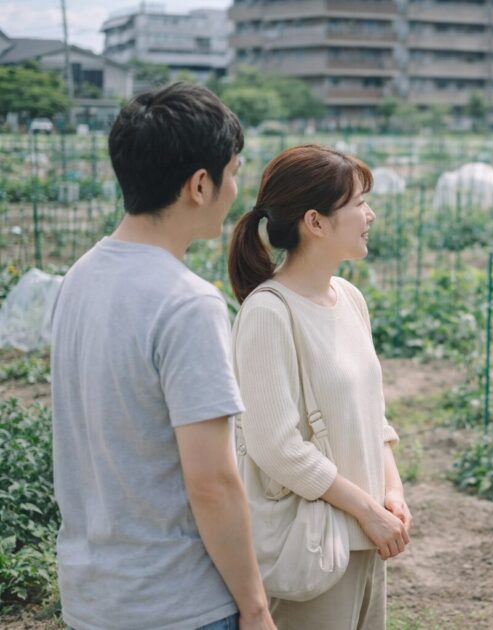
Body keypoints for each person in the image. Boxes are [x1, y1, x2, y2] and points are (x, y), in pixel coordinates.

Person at [50, 83, 276, 630]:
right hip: (177, 604)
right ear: (200, 184)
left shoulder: (79, 277)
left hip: (93, 597)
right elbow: (212, 482)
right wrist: (256, 606)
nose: (237, 187)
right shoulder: (188, 303)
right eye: (235, 170)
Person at [228, 144, 411, 629]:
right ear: (315, 221)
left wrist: (391, 492)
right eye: (357, 203)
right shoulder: (268, 312)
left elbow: (373, 416)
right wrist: (367, 509)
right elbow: (276, 447)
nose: (369, 215)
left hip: (369, 535)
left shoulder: (349, 298)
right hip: (315, 545)